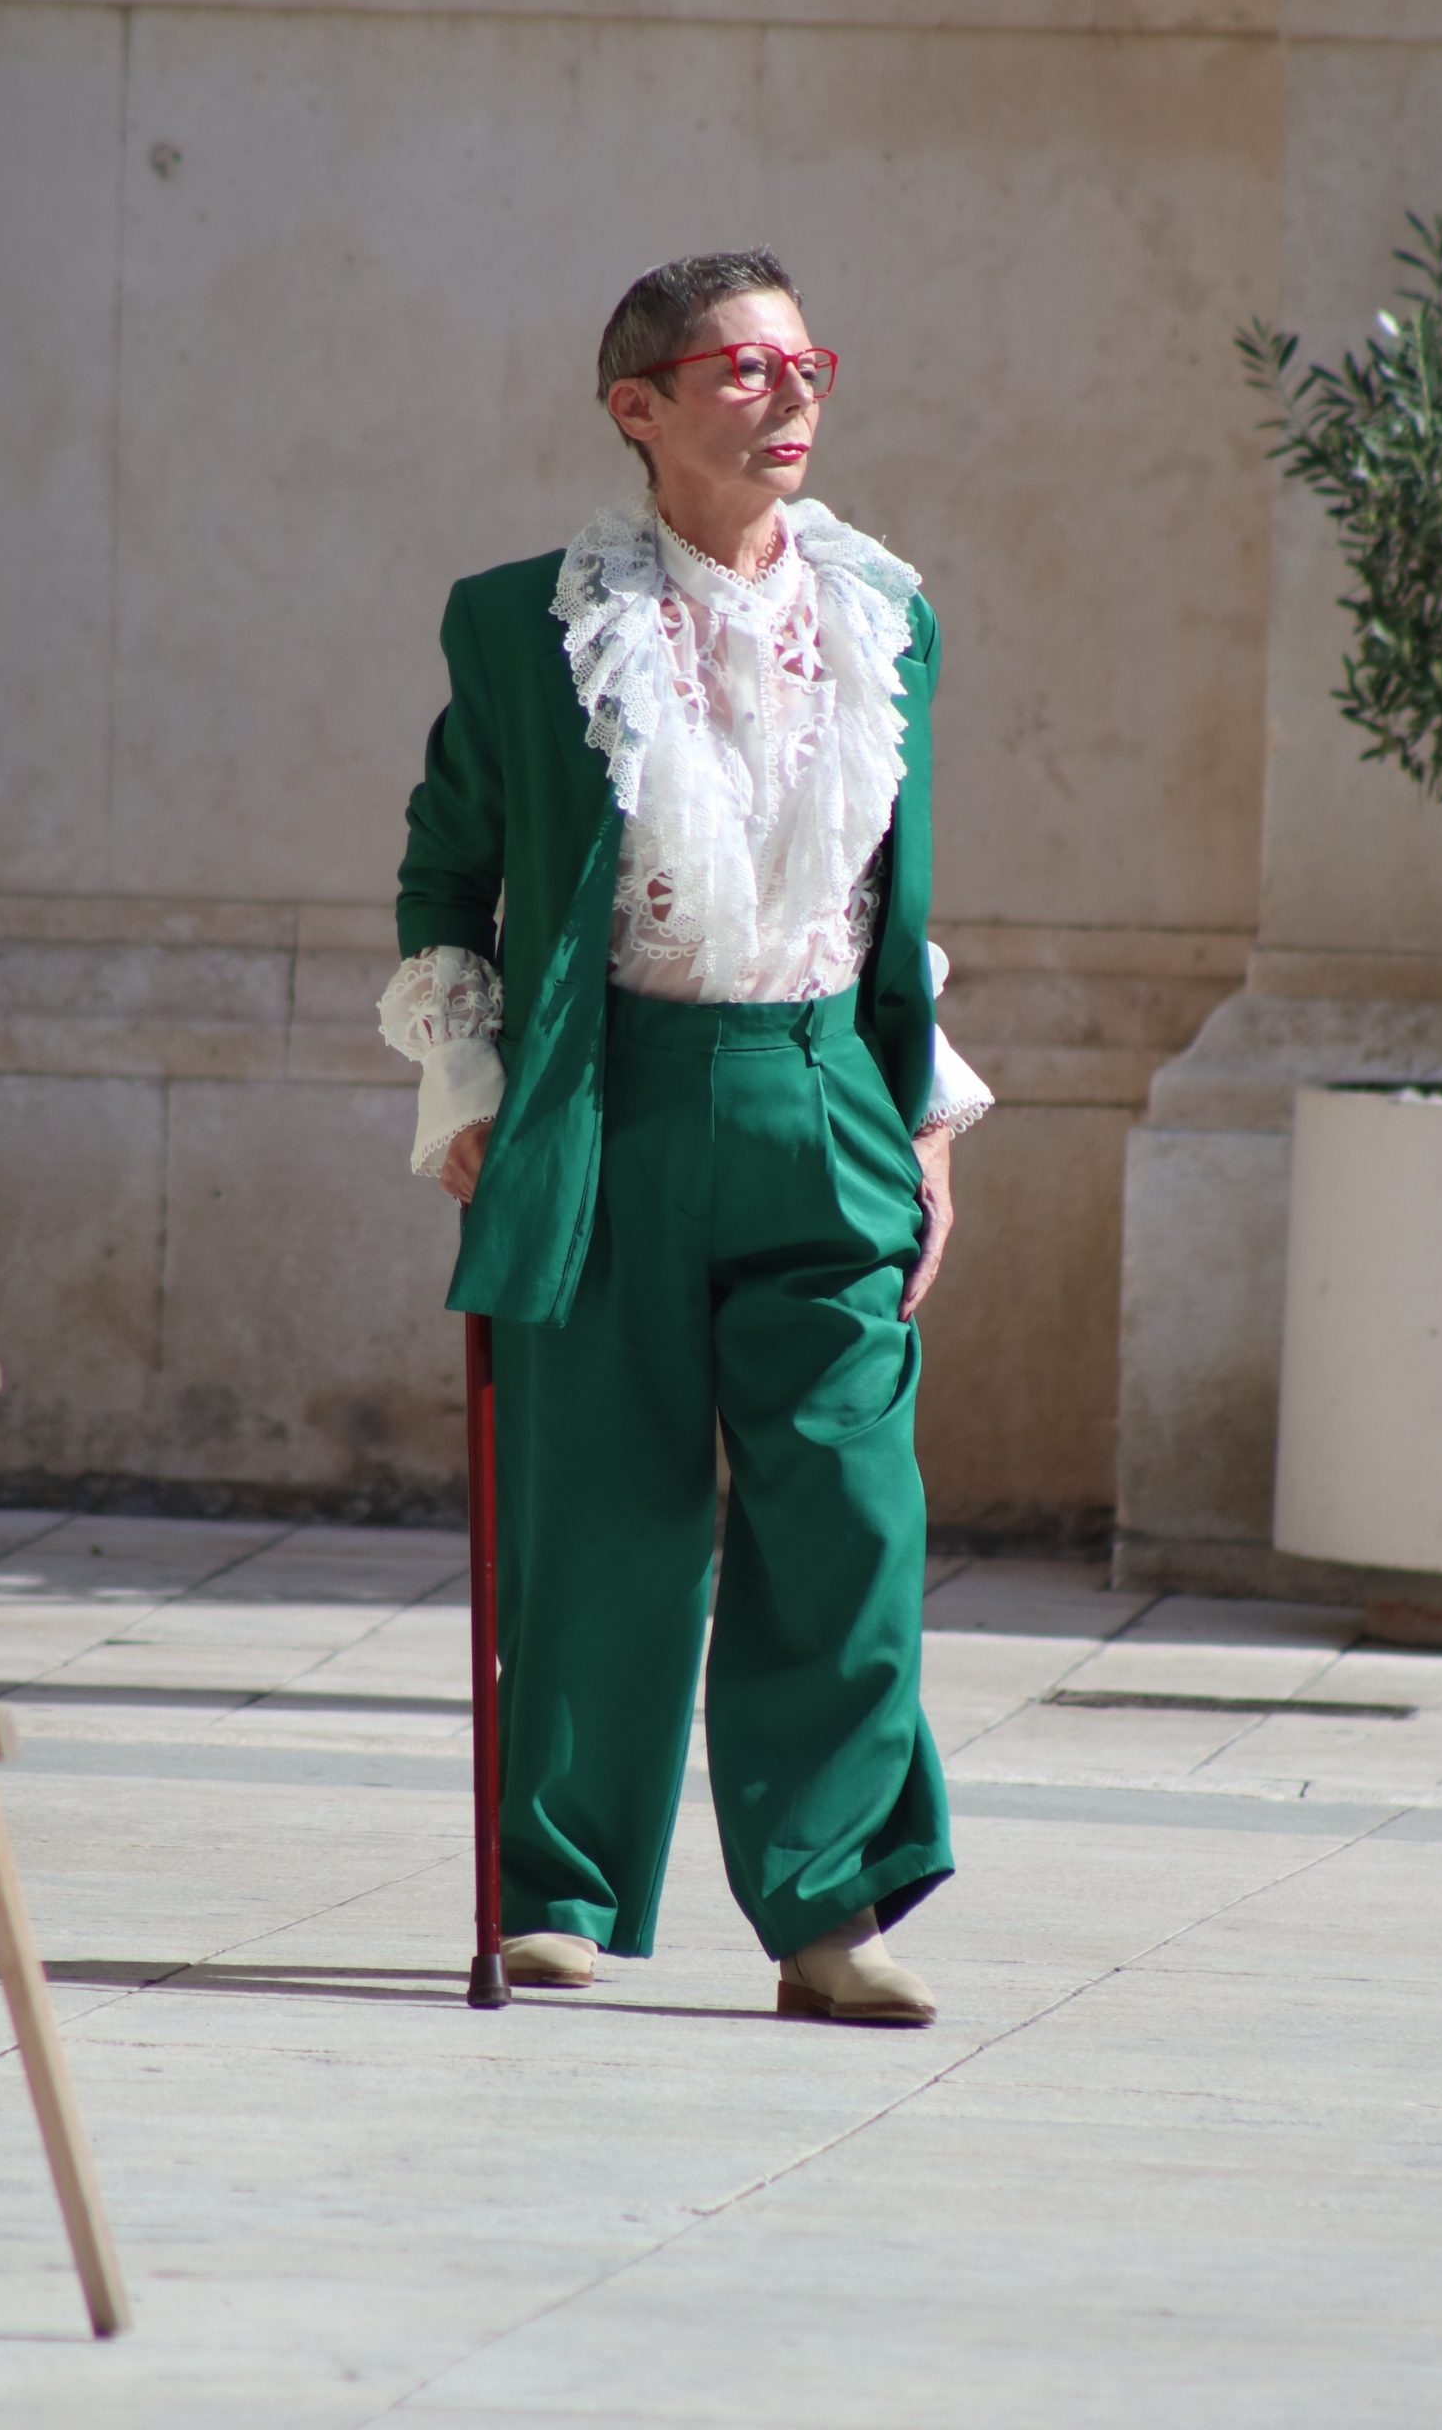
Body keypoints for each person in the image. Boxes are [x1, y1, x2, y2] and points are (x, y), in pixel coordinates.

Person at [379, 250, 991, 2025]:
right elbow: (449, 871)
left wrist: (925, 1118)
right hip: (614, 1100)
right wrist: (467, 1081)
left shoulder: (887, 614)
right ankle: (558, 1888)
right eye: (744, 367)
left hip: (827, 1094)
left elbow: (886, 893)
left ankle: (830, 1910)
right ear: (637, 408)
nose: (791, 392)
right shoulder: (524, 622)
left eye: (807, 362)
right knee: (602, 1511)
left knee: (851, 1518)